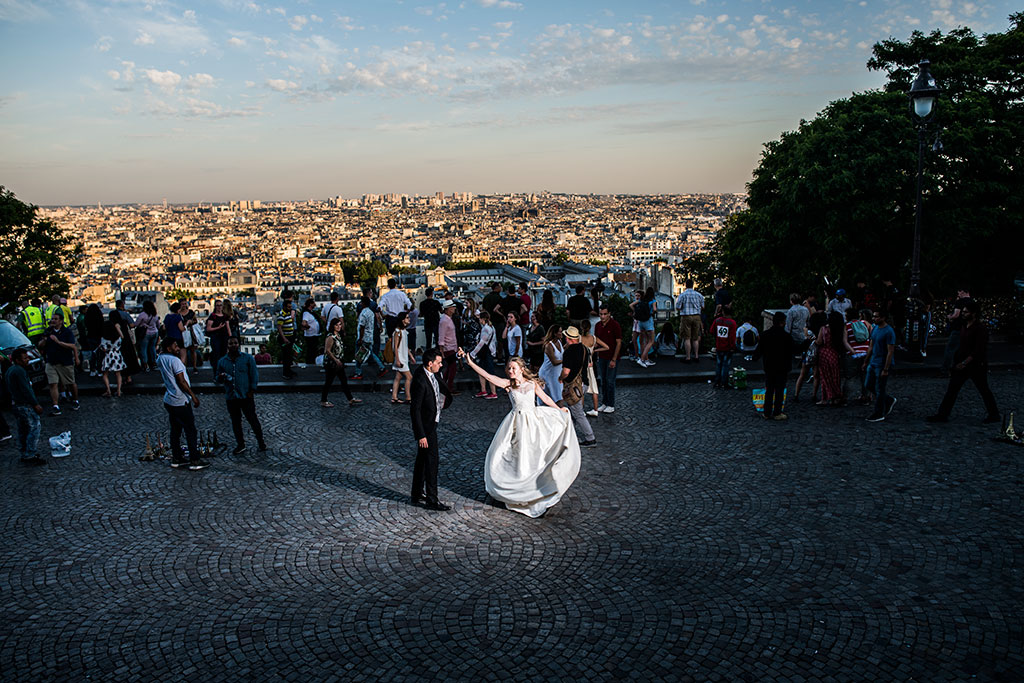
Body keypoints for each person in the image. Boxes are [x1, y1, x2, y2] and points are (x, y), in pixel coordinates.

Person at [460, 350, 581, 516]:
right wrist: (471, 363)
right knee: (514, 457)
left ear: (521, 369)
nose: (510, 371)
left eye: (513, 368)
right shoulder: (509, 385)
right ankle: (516, 489)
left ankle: (536, 489)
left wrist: (559, 409)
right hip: (517, 423)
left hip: (534, 422)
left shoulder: (532, 384)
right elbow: (488, 376)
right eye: (509, 368)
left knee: (535, 456)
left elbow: (545, 399)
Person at [927, 301, 1000, 424]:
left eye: (966, 312)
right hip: (962, 362)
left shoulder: (980, 329)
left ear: (974, 313)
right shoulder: (964, 326)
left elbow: (978, 350)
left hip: (976, 365)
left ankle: (994, 414)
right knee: (952, 389)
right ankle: (942, 414)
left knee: (983, 389)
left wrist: (965, 362)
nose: (963, 314)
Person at [409, 348, 453, 511]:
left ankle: (416, 493)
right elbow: (415, 410)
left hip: (432, 421)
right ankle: (432, 500)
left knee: (421, 459)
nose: (441, 365)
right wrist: (421, 435)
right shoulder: (419, 381)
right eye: (438, 363)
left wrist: (457, 355)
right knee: (432, 461)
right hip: (426, 427)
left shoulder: (432, 370)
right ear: (430, 364)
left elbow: (447, 362)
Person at [157, 337, 208, 470]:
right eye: (175, 345)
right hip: (180, 400)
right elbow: (181, 381)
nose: (178, 348)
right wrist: (193, 396)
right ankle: (195, 460)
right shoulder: (175, 361)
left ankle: (177, 457)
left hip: (169, 399)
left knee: (175, 430)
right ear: (169, 348)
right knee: (190, 430)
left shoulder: (161, 358)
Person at [216, 336, 268, 454]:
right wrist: (220, 377)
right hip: (231, 396)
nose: (233, 345)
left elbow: (254, 375)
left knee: (253, 420)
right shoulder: (222, 361)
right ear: (227, 345)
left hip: (246, 395)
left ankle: (261, 442)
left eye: (235, 343)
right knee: (236, 422)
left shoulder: (247, 358)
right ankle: (240, 444)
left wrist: (252, 390)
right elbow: (217, 378)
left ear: (238, 345)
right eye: (231, 343)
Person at [5, 348, 45, 464]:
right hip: (24, 405)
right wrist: (35, 404)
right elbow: (26, 389)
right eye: (25, 358)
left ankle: (25, 452)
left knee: (23, 429)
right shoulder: (19, 371)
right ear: (18, 360)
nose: (28, 360)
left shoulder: (11, 370)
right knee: (33, 428)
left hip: (16, 404)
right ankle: (30, 454)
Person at [559, 326, 598, 447]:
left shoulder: (569, 352)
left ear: (568, 338)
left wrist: (560, 378)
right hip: (584, 383)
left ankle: (590, 438)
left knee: (578, 413)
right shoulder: (585, 348)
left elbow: (566, 371)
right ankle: (570, 434)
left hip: (574, 386)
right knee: (574, 410)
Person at [40, 311, 80, 414]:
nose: (53, 321)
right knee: (53, 383)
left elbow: (72, 346)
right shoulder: (48, 331)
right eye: (52, 319)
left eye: (55, 319)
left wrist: (58, 342)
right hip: (51, 361)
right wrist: (44, 341)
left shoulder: (67, 332)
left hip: (65, 362)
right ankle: (55, 405)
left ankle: (75, 400)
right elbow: (40, 345)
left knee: (70, 383)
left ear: (61, 321)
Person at [320, 317, 362, 408]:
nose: (339, 326)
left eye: (340, 324)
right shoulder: (330, 337)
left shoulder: (338, 335)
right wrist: (335, 359)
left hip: (339, 362)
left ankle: (350, 398)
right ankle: (323, 400)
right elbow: (327, 350)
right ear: (333, 326)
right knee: (329, 381)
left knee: (343, 381)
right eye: (336, 325)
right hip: (332, 363)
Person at [864, 310, 897, 422]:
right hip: (873, 362)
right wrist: (866, 361)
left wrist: (886, 368)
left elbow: (890, 351)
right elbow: (871, 346)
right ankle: (887, 400)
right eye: (874, 316)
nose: (874, 319)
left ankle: (879, 412)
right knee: (868, 385)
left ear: (883, 318)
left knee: (879, 388)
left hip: (881, 364)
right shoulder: (875, 329)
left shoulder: (889, 332)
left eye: (876, 317)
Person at [816, 311, 854, 406]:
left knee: (825, 377)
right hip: (834, 354)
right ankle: (836, 396)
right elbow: (844, 343)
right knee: (835, 376)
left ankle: (826, 398)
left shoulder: (824, 329)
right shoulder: (840, 329)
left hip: (824, 354)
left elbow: (819, 342)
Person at [759, 312, 793, 420]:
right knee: (779, 390)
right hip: (782, 367)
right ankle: (777, 412)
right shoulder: (786, 337)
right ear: (782, 323)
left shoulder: (765, 335)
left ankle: (767, 412)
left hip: (769, 366)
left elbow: (758, 351)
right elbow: (794, 350)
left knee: (769, 389)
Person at [352, 294, 388, 380]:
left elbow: (362, 327)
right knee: (371, 353)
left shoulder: (363, 314)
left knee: (359, 354)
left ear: (363, 303)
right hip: (370, 336)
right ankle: (381, 367)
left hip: (364, 337)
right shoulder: (371, 312)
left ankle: (358, 372)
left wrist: (360, 338)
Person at [594, 304, 622, 413]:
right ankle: (605, 403)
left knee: (610, 381)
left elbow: (618, 343)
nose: (602, 316)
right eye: (601, 314)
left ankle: (611, 404)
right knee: (604, 381)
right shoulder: (597, 326)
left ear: (609, 314)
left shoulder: (615, 325)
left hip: (611, 357)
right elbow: (597, 341)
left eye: (605, 314)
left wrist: (614, 359)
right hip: (602, 357)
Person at [579, 319, 607, 417]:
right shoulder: (593, 338)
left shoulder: (579, 338)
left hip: (580, 366)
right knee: (594, 388)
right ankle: (595, 409)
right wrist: (595, 350)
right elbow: (606, 347)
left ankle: (581, 411)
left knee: (581, 388)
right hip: (590, 365)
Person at [942, 287, 972, 373]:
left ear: (962, 291)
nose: (958, 294)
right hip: (968, 328)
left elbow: (956, 315)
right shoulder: (972, 302)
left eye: (959, 292)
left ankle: (945, 369)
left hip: (958, 328)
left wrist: (949, 317)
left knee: (950, 349)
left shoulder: (960, 302)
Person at [470, 311, 499, 399]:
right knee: (482, 371)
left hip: (486, 352)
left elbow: (481, 343)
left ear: (482, 319)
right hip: (489, 351)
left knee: (489, 372)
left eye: (480, 319)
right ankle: (485, 390)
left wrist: (473, 353)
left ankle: (492, 392)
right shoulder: (491, 327)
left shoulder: (486, 329)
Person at [675, 279, 704, 362]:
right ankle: (696, 356)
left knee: (687, 338)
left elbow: (678, 307)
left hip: (686, 316)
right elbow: (703, 306)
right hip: (697, 316)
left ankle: (688, 357)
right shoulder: (699, 295)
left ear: (685, 285)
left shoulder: (682, 295)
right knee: (695, 338)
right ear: (693, 285)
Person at [710, 305, 737, 389]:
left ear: (722, 312)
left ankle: (717, 382)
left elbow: (711, 331)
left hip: (719, 346)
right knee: (725, 366)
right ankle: (724, 383)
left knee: (719, 365)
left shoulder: (717, 321)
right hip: (728, 347)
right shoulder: (732, 323)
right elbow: (732, 337)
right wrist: (733, 347)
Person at [390, 312, 414, 405]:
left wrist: (410, 356)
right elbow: (395, 347)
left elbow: (405, 346)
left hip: (402, 358)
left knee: (398, 377)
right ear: (402, 320)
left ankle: (394, 397)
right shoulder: (398, 332)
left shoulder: (403, 331)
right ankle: (408, 397)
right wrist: (398, 359)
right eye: (407, 318)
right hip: (401, 358)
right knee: (409, 377)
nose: (409, 319)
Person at [99, 318, 126, 397]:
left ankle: (108, 390)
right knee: (118, 374)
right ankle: (119, 390)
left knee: (105, 374)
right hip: (117, 355)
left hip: (108, 356)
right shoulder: (117, 337)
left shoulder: (104, 338)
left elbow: (103, 349)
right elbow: (122, 337)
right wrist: (118, 328)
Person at [537, 325, 564, 405]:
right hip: (547, 373)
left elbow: (561, 353)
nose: (561, 333)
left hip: (556, 373)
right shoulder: (549, 345)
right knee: (546, 397)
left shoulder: (559, 342)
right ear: (555, 333)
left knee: (559, 395)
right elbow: (554, 362)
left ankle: (559, 414)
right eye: (560, 331)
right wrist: (566, 361)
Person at [438, 300, 459, 393]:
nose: (454, 308)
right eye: (452, 307)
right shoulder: (444, 320)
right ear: (448, 309)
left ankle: (445, 385)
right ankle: (449, 386)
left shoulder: (447, 319)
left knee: (450, 367)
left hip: (451, 347)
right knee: (452, 368)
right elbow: (441, 335)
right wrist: (441, 349)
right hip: (448, 348)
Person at [631, 287, 656, 367]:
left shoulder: (642, 300)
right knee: (651, 341)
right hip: (648, 321)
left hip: (641, 322)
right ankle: (642, 359)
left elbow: (632, 305)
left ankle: (646, 359)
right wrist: (652, 312)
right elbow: (654, 309)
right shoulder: (653, 300)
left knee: (643, 341)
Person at [135, 300, 160, 371]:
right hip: (155, 332)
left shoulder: (142, 315)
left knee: (144, 349)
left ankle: (145, 365)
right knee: (152, 348)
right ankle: (154, 363)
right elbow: (158, 325)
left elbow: (136, 324)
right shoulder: (155, 315)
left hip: (146, 333)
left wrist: (143, 325)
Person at [276, 297, 298, 379]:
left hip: (289, 337)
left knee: (289, 356)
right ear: (284, 307)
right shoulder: (282, 315)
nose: (290, 308)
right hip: (286, 338)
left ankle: (289, 371)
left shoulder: (287, 314)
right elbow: (279, 327)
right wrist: (284, 338)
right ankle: (286, 373)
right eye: (288, 307)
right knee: (286, 356)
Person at [206, 299, 230, 370]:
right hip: (215, 337)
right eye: (217, 305)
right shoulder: (213, 316)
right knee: (217, 354)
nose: (219, 307)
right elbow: (208, 328)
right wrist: (218, 328)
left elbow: (228, 328)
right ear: (215, 307)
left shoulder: (225, 316)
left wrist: (230, 338)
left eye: (220, 305)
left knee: (224, 354)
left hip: (224, 337)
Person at [300, 298, 321, 365]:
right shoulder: (306, 313)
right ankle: (310, 362)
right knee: (311, 349)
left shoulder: (309, 312)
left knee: (313, 349)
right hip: (310, 335)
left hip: (313, 334)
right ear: (310, 304)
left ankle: (311, 361)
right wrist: (308, 327)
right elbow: (304, 322)